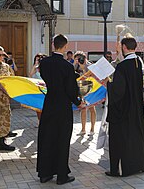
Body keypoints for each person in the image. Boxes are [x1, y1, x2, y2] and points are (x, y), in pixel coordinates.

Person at [37, 34, 82, 185]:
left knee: (47, 138)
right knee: (62, 140)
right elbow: (71, 89)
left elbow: (45, 79)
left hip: (49, 104)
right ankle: (62, 175)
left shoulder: (44, 63)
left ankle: (45, 173)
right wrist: (78, 101)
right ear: (65, 47)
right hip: (63, 107)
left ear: (52, 45)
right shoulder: (67, 66)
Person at [105, 34, 144, 177]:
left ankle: (120, 169)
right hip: (136, 106)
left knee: (121, 138)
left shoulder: (122, 66)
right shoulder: (139, 63)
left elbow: (118, 91)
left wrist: (108, 84)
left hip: (124, 110)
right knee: (137, 135)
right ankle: (140, 164)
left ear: (124, 47)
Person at [73, 51, 96, 136]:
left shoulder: (90, 66)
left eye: (79, 59)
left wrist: (83, 67)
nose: (78, 61)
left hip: (91, 89)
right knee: (83, 108)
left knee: (91, 108)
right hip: (82, 89)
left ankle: (92, 129)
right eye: (76, 59)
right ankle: (83, 129)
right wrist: (75, 64)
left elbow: (91, 75)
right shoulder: (76, 66)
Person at [29, 53, 47, 122]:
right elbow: (30, 75)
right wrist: (35, 65)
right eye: (37, 59)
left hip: (46, 88)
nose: (38, 60)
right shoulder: (36, 68)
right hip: (38, 89)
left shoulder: (46, 67)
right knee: (38, 107)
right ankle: (39, 121)